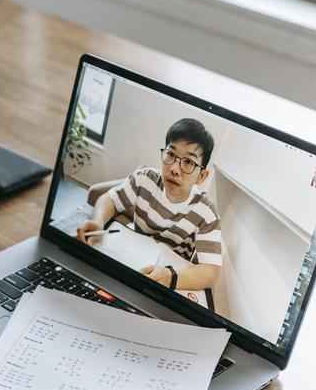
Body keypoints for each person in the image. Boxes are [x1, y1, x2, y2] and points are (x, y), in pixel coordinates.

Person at [76, 118, 222, 291]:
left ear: (202, 176)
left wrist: (171, 278)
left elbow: (211, 272)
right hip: (128, 264)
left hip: (161, 282)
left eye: (189, 162)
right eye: (171, 154)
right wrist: (98, 221)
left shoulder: (207, 213)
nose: (175, 168)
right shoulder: (145, 179)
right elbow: (109, 199)